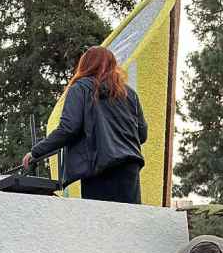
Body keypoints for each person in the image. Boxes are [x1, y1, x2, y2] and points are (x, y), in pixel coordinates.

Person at [22, 46, 147, 204]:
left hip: (99, 166)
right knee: (129, 221)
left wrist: (36, 152)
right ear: (112, 66)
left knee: (100, 222)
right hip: (129, 168)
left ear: (85, 65)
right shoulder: (129, 94)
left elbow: (68, 128)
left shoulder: (80, 89)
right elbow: (142, 134)